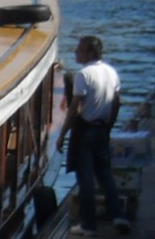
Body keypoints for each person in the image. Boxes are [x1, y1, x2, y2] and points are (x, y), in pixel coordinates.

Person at [58, 36, 131, 236]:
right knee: (105, 175)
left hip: (86, 131)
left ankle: (88, 225)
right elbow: (116, 103)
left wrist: (62, 134)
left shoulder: (83, 74)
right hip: (102, 129)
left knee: (86, 179)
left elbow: (74, 108)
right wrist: (109, 126)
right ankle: (118, 216)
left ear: (89, 53)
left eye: (79, 50)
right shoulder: (111, 72)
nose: (75, 53)